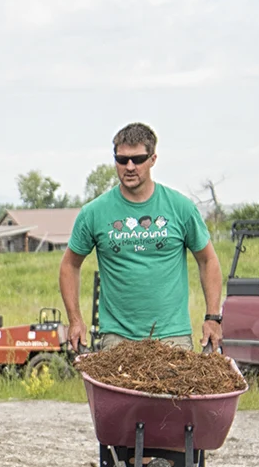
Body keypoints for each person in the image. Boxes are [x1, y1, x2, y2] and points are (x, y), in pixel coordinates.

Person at [59, 122, 222, 351]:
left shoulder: (180, 208)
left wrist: (213, 317)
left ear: (153, 159)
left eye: (137, 159)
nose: (129, 166)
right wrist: (75, 320)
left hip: (172, 337)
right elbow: (69, 265)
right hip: (117, 339)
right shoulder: (94, 213)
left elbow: (208, 260)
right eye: (122, 159)